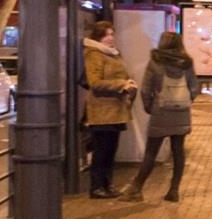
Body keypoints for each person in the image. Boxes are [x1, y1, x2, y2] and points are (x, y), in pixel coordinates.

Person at [123, 30, 203, 202]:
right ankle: (174, 191)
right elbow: (194, 88)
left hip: (161, 112)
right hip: (181, 113)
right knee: (178, 151)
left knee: (151, 152)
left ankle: (136, 188)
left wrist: (150, 108)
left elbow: (146, 90)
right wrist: (185, 102)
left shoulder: (155, 62)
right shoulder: (186, 63)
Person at [82, 20, 136, 199]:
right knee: (101, 150)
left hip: (117, 108)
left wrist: (129, 83)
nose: (111, 38)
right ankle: (97, 186)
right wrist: (122, 84)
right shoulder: (94, 54)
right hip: (102, 110)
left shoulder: (113, 53)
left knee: (111, 150)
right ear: (99, 37)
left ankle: (107, 184)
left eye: (112, 34)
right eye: (107, 35)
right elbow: (95, 83)